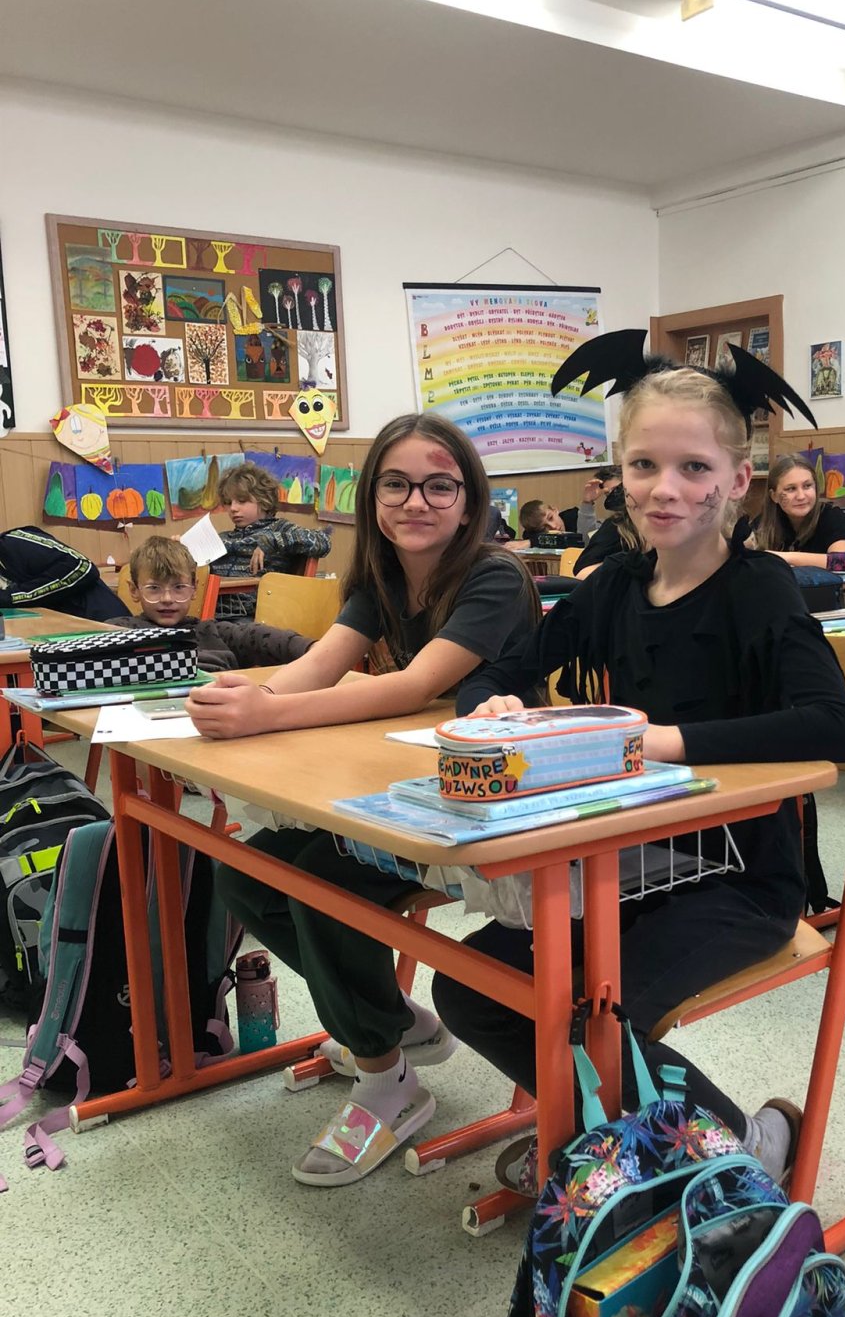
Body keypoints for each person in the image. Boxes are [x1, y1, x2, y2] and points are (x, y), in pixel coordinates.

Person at [432, 341, 845, 1197]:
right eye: (644, 465)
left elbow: (835, 726)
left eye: (693, 467)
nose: (665, 488)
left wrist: (661, 741)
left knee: (600, 1013)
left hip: (740, 878)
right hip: (623, 863)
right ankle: (602, 1134)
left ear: (738, 481)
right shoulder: (613, 584)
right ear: (619, 475)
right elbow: (497, 670)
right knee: (472, 988)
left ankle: (743, 1148)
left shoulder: (760, 587)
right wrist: (492, 704)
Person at [192, 413, 542, 1186]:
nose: (416, 502)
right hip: (409, 792)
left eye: (439, 486)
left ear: (469, 499)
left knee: (321, 884)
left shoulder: (493, 576)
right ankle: (392, 1020)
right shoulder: (384, 579)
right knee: (245, 873)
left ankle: (389, 1080)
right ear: (372, 496)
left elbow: (414, 687)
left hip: (490, 813)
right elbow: (320, 667)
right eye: (397, 485)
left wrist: (266, 713)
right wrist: (244, 704)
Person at [109, 535, 314, 671]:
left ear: (194, 589)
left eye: (179, 587)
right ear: (134, 590)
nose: (167, 599)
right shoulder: (121, 630)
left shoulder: (210, 631)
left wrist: (312, 648)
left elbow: (256, 636)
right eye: (154, 588)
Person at [211, 461, 332, 617]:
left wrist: (273, 541)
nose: (233, 508)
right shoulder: (222, 539)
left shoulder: (279, 529)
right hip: (214, 614)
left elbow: (322, 541)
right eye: (228, 503)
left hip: (255, 617)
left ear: (264, 500)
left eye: (242, 501)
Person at [0, 524, 126, 620]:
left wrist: (13, 597)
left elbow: (82, 567)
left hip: (105, 623)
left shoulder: (14, 542)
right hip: (55, 632)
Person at [749, 453, 845, 565]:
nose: (801, 496)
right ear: (774, 496)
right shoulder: (763, 523)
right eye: (791, 489)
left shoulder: (831, 516)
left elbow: (841, 562)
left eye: (807, 486)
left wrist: (780, 557)